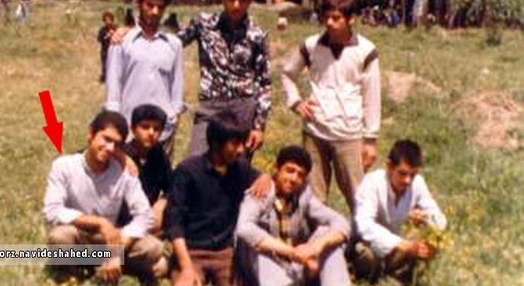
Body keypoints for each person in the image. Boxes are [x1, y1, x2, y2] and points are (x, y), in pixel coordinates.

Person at [281, 0, 381, 211]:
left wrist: (370, 140)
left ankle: (364, 234)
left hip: (349, 134)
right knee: (313, 199)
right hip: (315, 133)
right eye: (326, 17)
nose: (329, 23)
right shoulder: (311, 45)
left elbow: (372, 97)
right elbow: (287, 74)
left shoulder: (366, 51)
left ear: (350, 19)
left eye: (336, 18)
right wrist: (296, 102)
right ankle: (316, 233)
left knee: (359, 199)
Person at [44, 110, 167, 284]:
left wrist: (115, 252)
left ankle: (105, 265)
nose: (110, 148)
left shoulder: (124, 172)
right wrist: (99, 223)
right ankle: (81, 270)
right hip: (79, 235)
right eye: (106, 139)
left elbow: (143, 215)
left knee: (154, 247)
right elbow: (52, 211)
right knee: (60, 237)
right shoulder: (64, 166)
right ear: (90, 134)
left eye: (117, 144)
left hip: (112, 240)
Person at [164, 111, 267, 286]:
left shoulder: (240, 168)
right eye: (235, 144)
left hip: (224, 252)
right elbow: (174, 223)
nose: (241, 150)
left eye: (242, 143)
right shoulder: (188, 171)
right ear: (216, 144)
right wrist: (186, 267)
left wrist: (266, 177)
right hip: (190, 251)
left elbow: (261, 178)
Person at [177, 0, 271, 158]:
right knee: (195, 163)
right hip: (211, 105)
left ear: (249, 2)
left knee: (236, 167)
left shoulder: (257, 35)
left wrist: (258, 126)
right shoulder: (203, 24)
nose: (236, 5)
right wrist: (129, 34)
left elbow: (263, 82)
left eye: (243, 0)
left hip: (242, 108)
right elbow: (173, 43)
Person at [235, 145, 351, 286]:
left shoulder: (303, 194)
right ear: (277, 168)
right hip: (266, 266)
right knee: (256, 243)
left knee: (326, 232)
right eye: (290, 171)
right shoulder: (260, 191)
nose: (294, 178)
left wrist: (315, 248)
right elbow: (244, 228)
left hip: (296, 265)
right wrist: (291, 252)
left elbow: (341, 222)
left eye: (300, 175)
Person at [350, 140, 447, 284]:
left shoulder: (417, 183)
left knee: (426, 244)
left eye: (412, 175)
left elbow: (440, 219)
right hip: (365, 245)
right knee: (369, 256)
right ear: (389, 166)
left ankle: (400, 276)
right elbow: (364, 226)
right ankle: (359, 274)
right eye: (402, 173)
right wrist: (403, 245)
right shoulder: (372, 183)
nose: (408, 180)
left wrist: (426, 218)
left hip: (394, 246)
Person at [106, 0, 184, 158]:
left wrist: (173, 120)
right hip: (128, 132)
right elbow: (113, 89)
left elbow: (177, 91)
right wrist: (115, 127)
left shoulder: (174, 45)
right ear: (139, 4)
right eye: (150, 5)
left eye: (160, 7)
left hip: (161, 132)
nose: (155, 12)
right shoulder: (121, 42)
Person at [121, 104, 172, 234]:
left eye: (156, 129)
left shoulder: (159, 154)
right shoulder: (121, 154)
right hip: (121, 218)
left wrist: (162, 203)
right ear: (133, 129)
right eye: (145, 127)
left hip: (149, 216)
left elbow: (172, 186)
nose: (151, 133)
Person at [97, 10, 116, 83]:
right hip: (105, 50)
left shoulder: (115, 28)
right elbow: (99, 39)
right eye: (106, 20)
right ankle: (104, 77)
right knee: (105, 64)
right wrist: (106, 36)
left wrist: (114, 34)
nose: (108, 21)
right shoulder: (102, 29)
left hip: (114, 50)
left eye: (109, 19)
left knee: (114, 64)